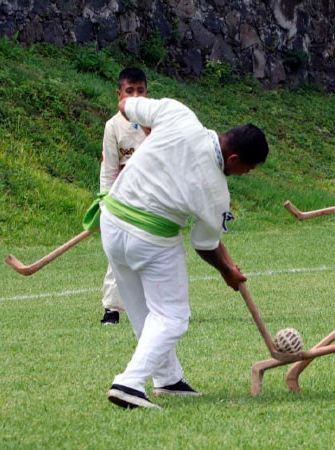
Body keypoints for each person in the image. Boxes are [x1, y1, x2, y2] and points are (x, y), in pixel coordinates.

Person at [94, 96, 269, 409]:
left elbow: (126, 105)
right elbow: (204, 244)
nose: (245, 174)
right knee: (172, 316)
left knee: (144, 313)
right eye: (248, 168)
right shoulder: (216, 192)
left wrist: (153, 136)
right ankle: (129, 383)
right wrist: (226, 270)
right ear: (233, 159)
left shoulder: (178, 115)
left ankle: (168, 378)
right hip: (150, 237)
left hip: (112, 221)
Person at [98, 67, 150, 325]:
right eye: (129, 91)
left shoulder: (156, 121)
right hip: (123, 202)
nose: (135, 96)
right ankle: (112, 308)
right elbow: (108, 170)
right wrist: (105, 203)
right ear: (119, 94)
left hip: (154, 201)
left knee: (152, 252)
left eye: (140, 91)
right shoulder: (113, 126)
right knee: (117, 254)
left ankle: (156, 306)